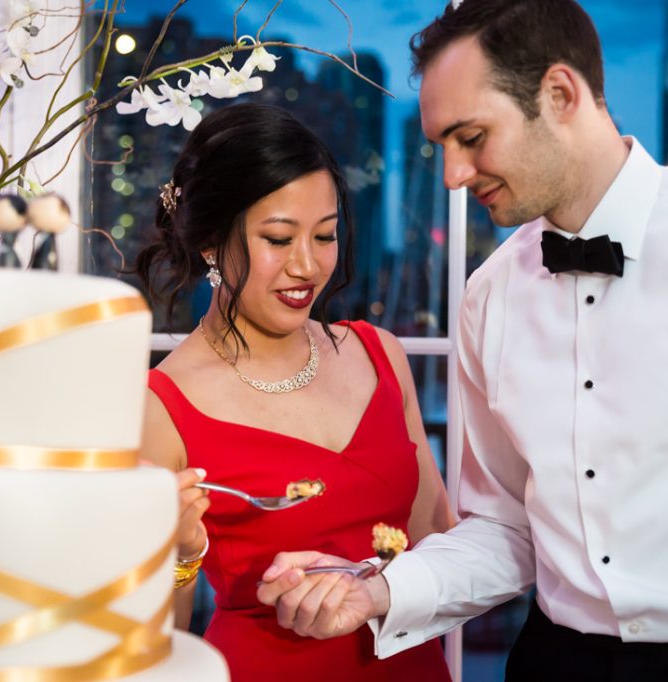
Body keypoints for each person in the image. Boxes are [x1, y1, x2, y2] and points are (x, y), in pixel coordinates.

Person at [255, 2, 668, 681]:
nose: (453, 176)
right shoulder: (490, 294)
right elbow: (505, 528)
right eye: (441, 148)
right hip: (550, 660)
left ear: (560, 94)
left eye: (472, 137)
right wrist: (375, 590)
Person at [135, 103, 455, 682]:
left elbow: (440, 540)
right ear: (211, 240)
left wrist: (379, 586)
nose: (307, 265)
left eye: (326, 235)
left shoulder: (379, 355)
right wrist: (182, 556)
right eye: (279, 239)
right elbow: (153, 648)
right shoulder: (162, 406)